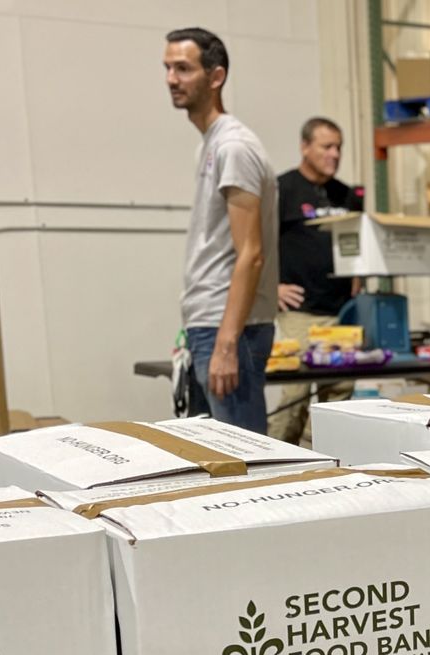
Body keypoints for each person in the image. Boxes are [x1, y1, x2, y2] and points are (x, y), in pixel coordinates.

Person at [166, 26, 277, 434]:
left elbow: (251, 253)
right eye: (168, 68)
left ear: (216, 76)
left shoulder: (234, 148)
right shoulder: (210, 145)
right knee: (217, 462)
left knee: (246, 467)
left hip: (229, 330)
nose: (171, 79)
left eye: (183, 68)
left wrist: (227, 344)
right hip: (208, 324)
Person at [270, 116, 362, 445]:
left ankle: (327, 462)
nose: (334, 154)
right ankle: (275, 462)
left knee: (339, 392)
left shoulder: (347, 195)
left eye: (339, 147)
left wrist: (358, 286)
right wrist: (272, 287)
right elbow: (257, 244)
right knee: (296, 390)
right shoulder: (282, 189)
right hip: (299, 311)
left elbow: (358, 247)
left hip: (339, 312)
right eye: (326, 147)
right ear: (305, 147)